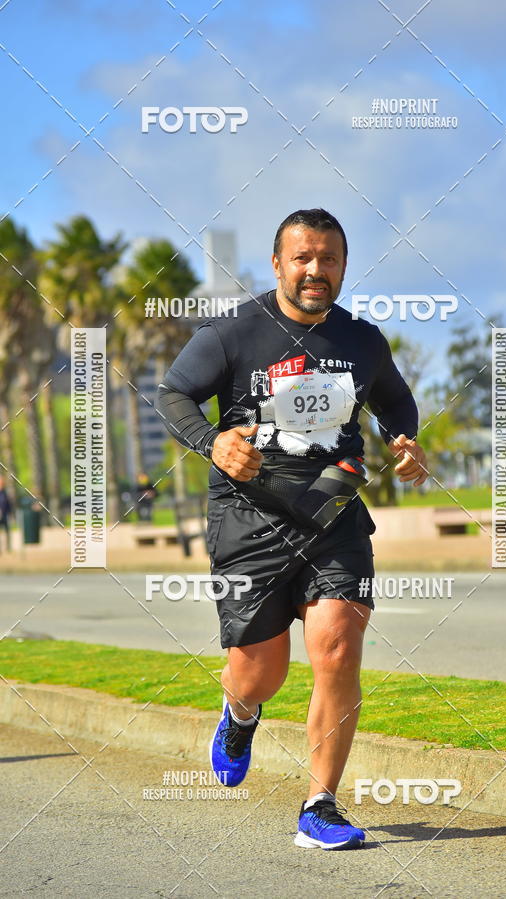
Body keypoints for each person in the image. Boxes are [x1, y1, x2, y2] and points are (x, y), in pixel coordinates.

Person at [156, 208, 428, 850]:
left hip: (333, 510)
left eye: (328, 258)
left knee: (336, 647)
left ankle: (321, 803)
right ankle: (240, 712)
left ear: (342, 265)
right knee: (258, 671)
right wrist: (213, 441)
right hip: (248, 515)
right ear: (277, 263)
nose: (315, 270)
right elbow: (173, 395)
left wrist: (403, 438)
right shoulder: (232, 333)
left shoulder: (362, 341)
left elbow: (395, 401)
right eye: (302, 258)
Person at [0, 475, 13, 553]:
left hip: (5, 516)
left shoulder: (5, 493)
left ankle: (8, 548)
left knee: (7, 532)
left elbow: (8, 504)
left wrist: (10, 514)